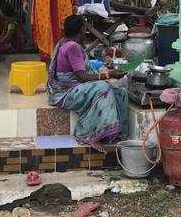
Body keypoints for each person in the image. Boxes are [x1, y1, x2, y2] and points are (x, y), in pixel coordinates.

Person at [48, 15, 128, 150]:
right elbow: (82, 77)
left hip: (71, 88)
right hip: (66, 92)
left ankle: (118, 133)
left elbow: (81, 69)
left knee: (120, 93)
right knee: (103, 88)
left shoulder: (65, 42)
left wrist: (104, 69)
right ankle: (88, 134)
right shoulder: (72, 47)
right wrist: (108, 74)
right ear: (81, 31)